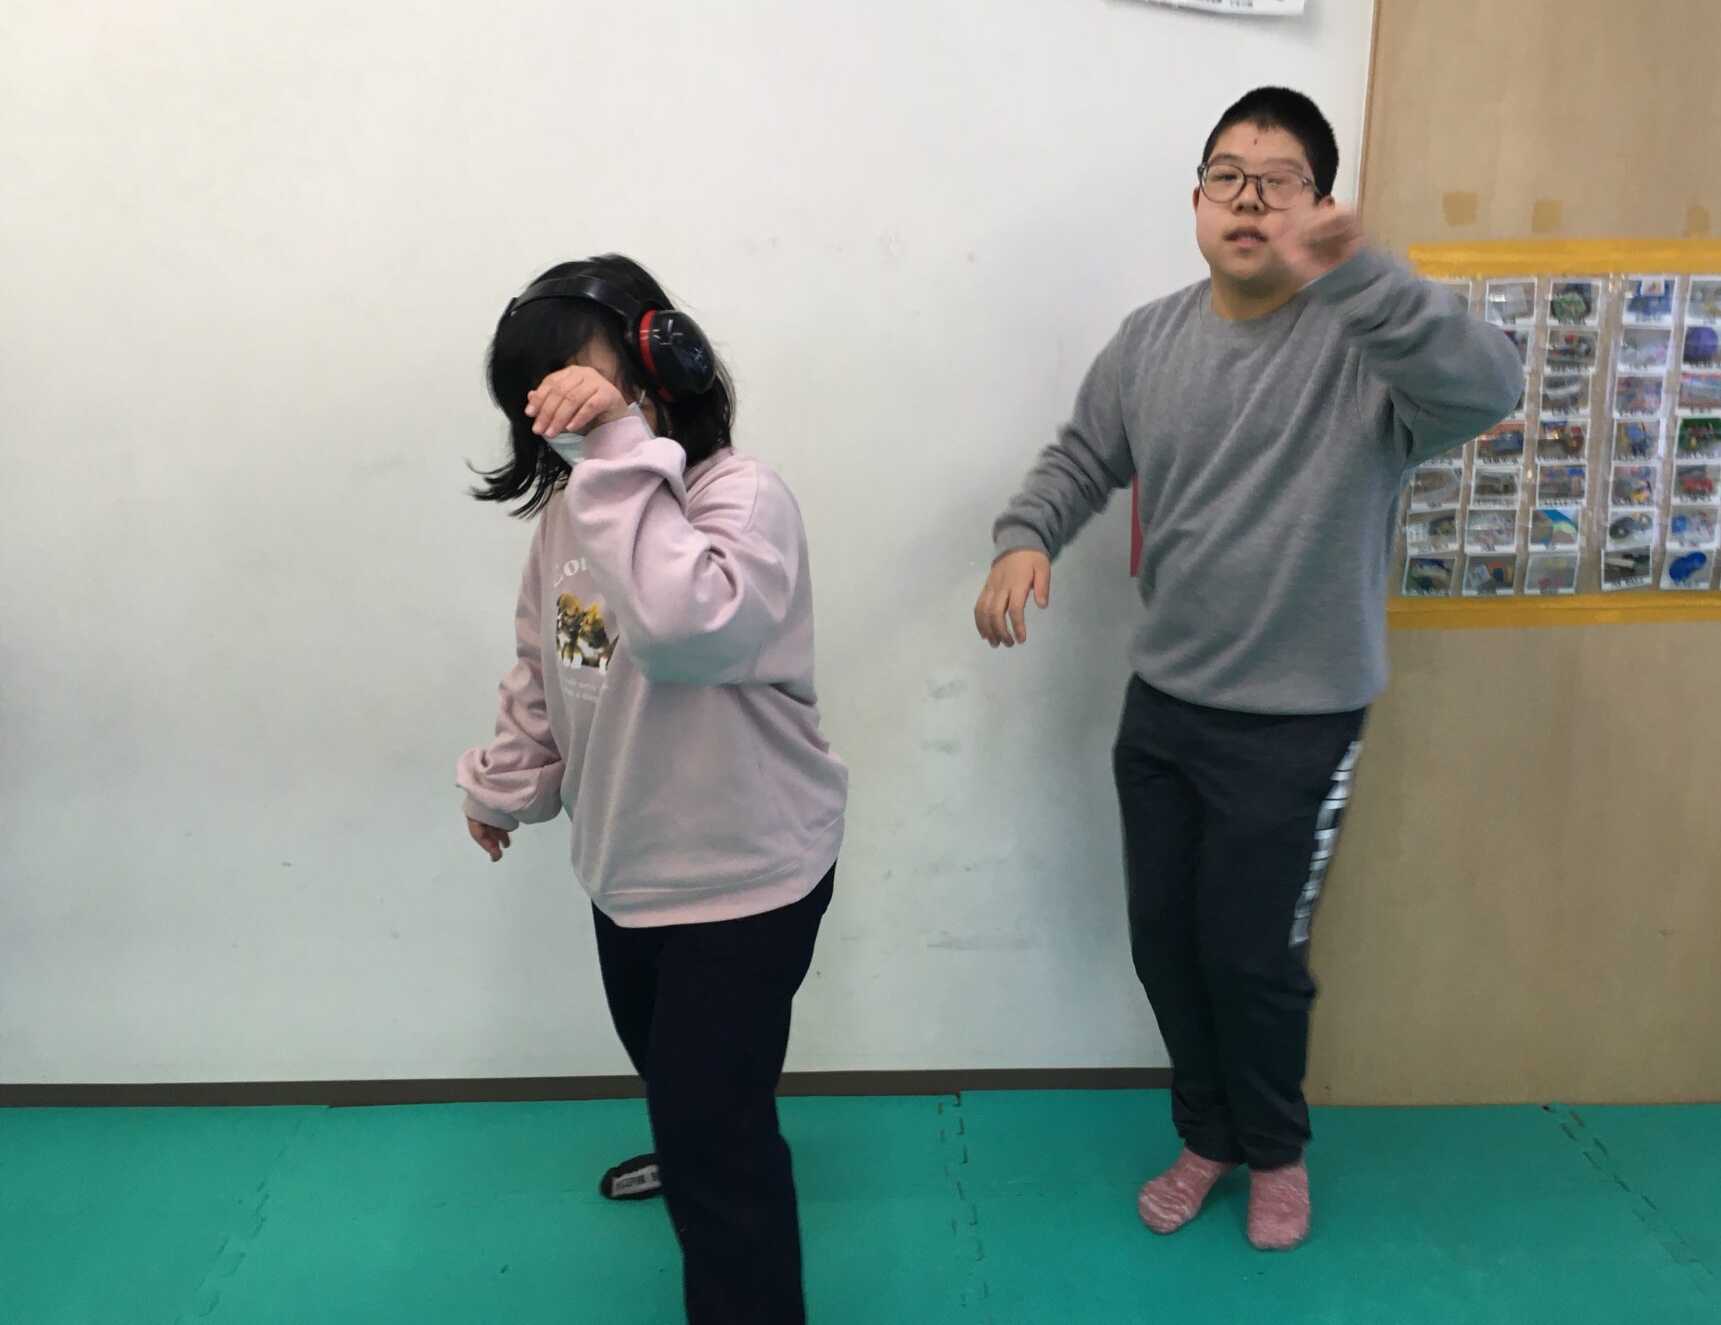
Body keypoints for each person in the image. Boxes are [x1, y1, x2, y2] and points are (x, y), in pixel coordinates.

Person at [973, 88, 1522, 1250]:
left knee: (1252, 961)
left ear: (1318, 206)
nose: (1249, 199)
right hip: (1164, 705)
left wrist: (1361, 275)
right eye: (1228, 175)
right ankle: (1207, 1133)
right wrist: (1026, 536)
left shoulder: (1368, 351)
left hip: (1297, 725)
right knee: (1166, 947)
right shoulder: (1149, 341)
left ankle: (1275, 1152)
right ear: (1195, 198)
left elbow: (1489, 387)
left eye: (1280, 181)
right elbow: (1082, 455)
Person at [458, 255, 847, 1324]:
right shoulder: (569, 518)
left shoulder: (743, 498)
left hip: (748, 874)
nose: (561, 411)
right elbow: (549, 660)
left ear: (660, 361)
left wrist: (621, 445)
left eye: (579, 383)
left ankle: (711, 1162)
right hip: (626, 867)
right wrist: (505, 783)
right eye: (541, 394)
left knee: (715, 1129)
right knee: (672, 1071)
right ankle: (696, 1134)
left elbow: (684, 631)